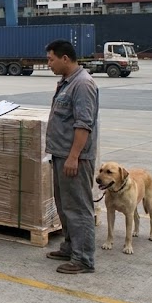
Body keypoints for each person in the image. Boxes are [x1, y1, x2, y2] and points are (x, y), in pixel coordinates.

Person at [44, 39, 99, 274]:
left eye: (51, 59)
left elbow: (83, 124)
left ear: (64, 58)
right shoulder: (66, 82)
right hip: (60, 155)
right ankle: (70, 247)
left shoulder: (83, 85)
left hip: (74, 157)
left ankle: (84, 258)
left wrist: (74, 157)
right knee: (64, 205)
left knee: (78, 207)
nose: (49, 64)